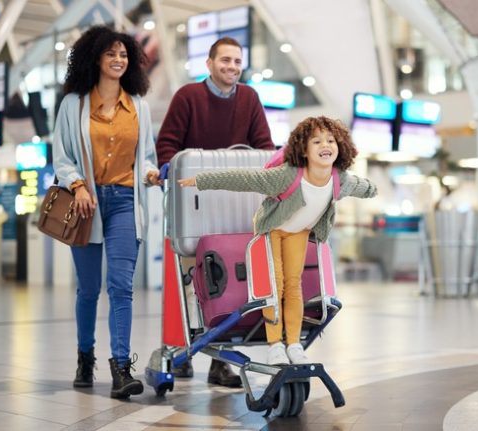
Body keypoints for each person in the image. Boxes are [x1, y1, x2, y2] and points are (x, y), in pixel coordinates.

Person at [178, 116, 377, 365]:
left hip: (299, 231)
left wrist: (373, 190)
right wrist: (201, 180)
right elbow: (244, 179)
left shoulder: (340, 179)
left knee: (294, 285)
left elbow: (362, 186)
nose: (325, 145)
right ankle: (275, 345)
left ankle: (293, 343)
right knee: (274, 284)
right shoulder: (287, 176)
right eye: (316, 141)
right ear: (303, 150)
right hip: (272, 229)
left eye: (331, 140)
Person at [156, 36, 274, 387]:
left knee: (226, 284)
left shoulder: (250, 98)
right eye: (225, 60)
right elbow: (166, 146)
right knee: (191, 284)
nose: (232, 67)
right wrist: (167, 169)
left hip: (234, 205)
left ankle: (218, 360)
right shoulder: (188, 97)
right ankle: (180, 348)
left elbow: (264, 147)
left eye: (237, 62)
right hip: (193, 206)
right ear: (209, 64)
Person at [52, 25, 160, 399]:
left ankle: (120, 368)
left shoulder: (139, 107)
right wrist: (77, 185)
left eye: (124, 54)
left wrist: (150, 171)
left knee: (121, 286)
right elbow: (62, 156)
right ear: (95, 58)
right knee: (89, 289)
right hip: (86, 204)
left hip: (126, 204)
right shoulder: (73, 104)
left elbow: (146, 154)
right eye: (111, 53)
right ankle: (85, 357)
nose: (118, 60)